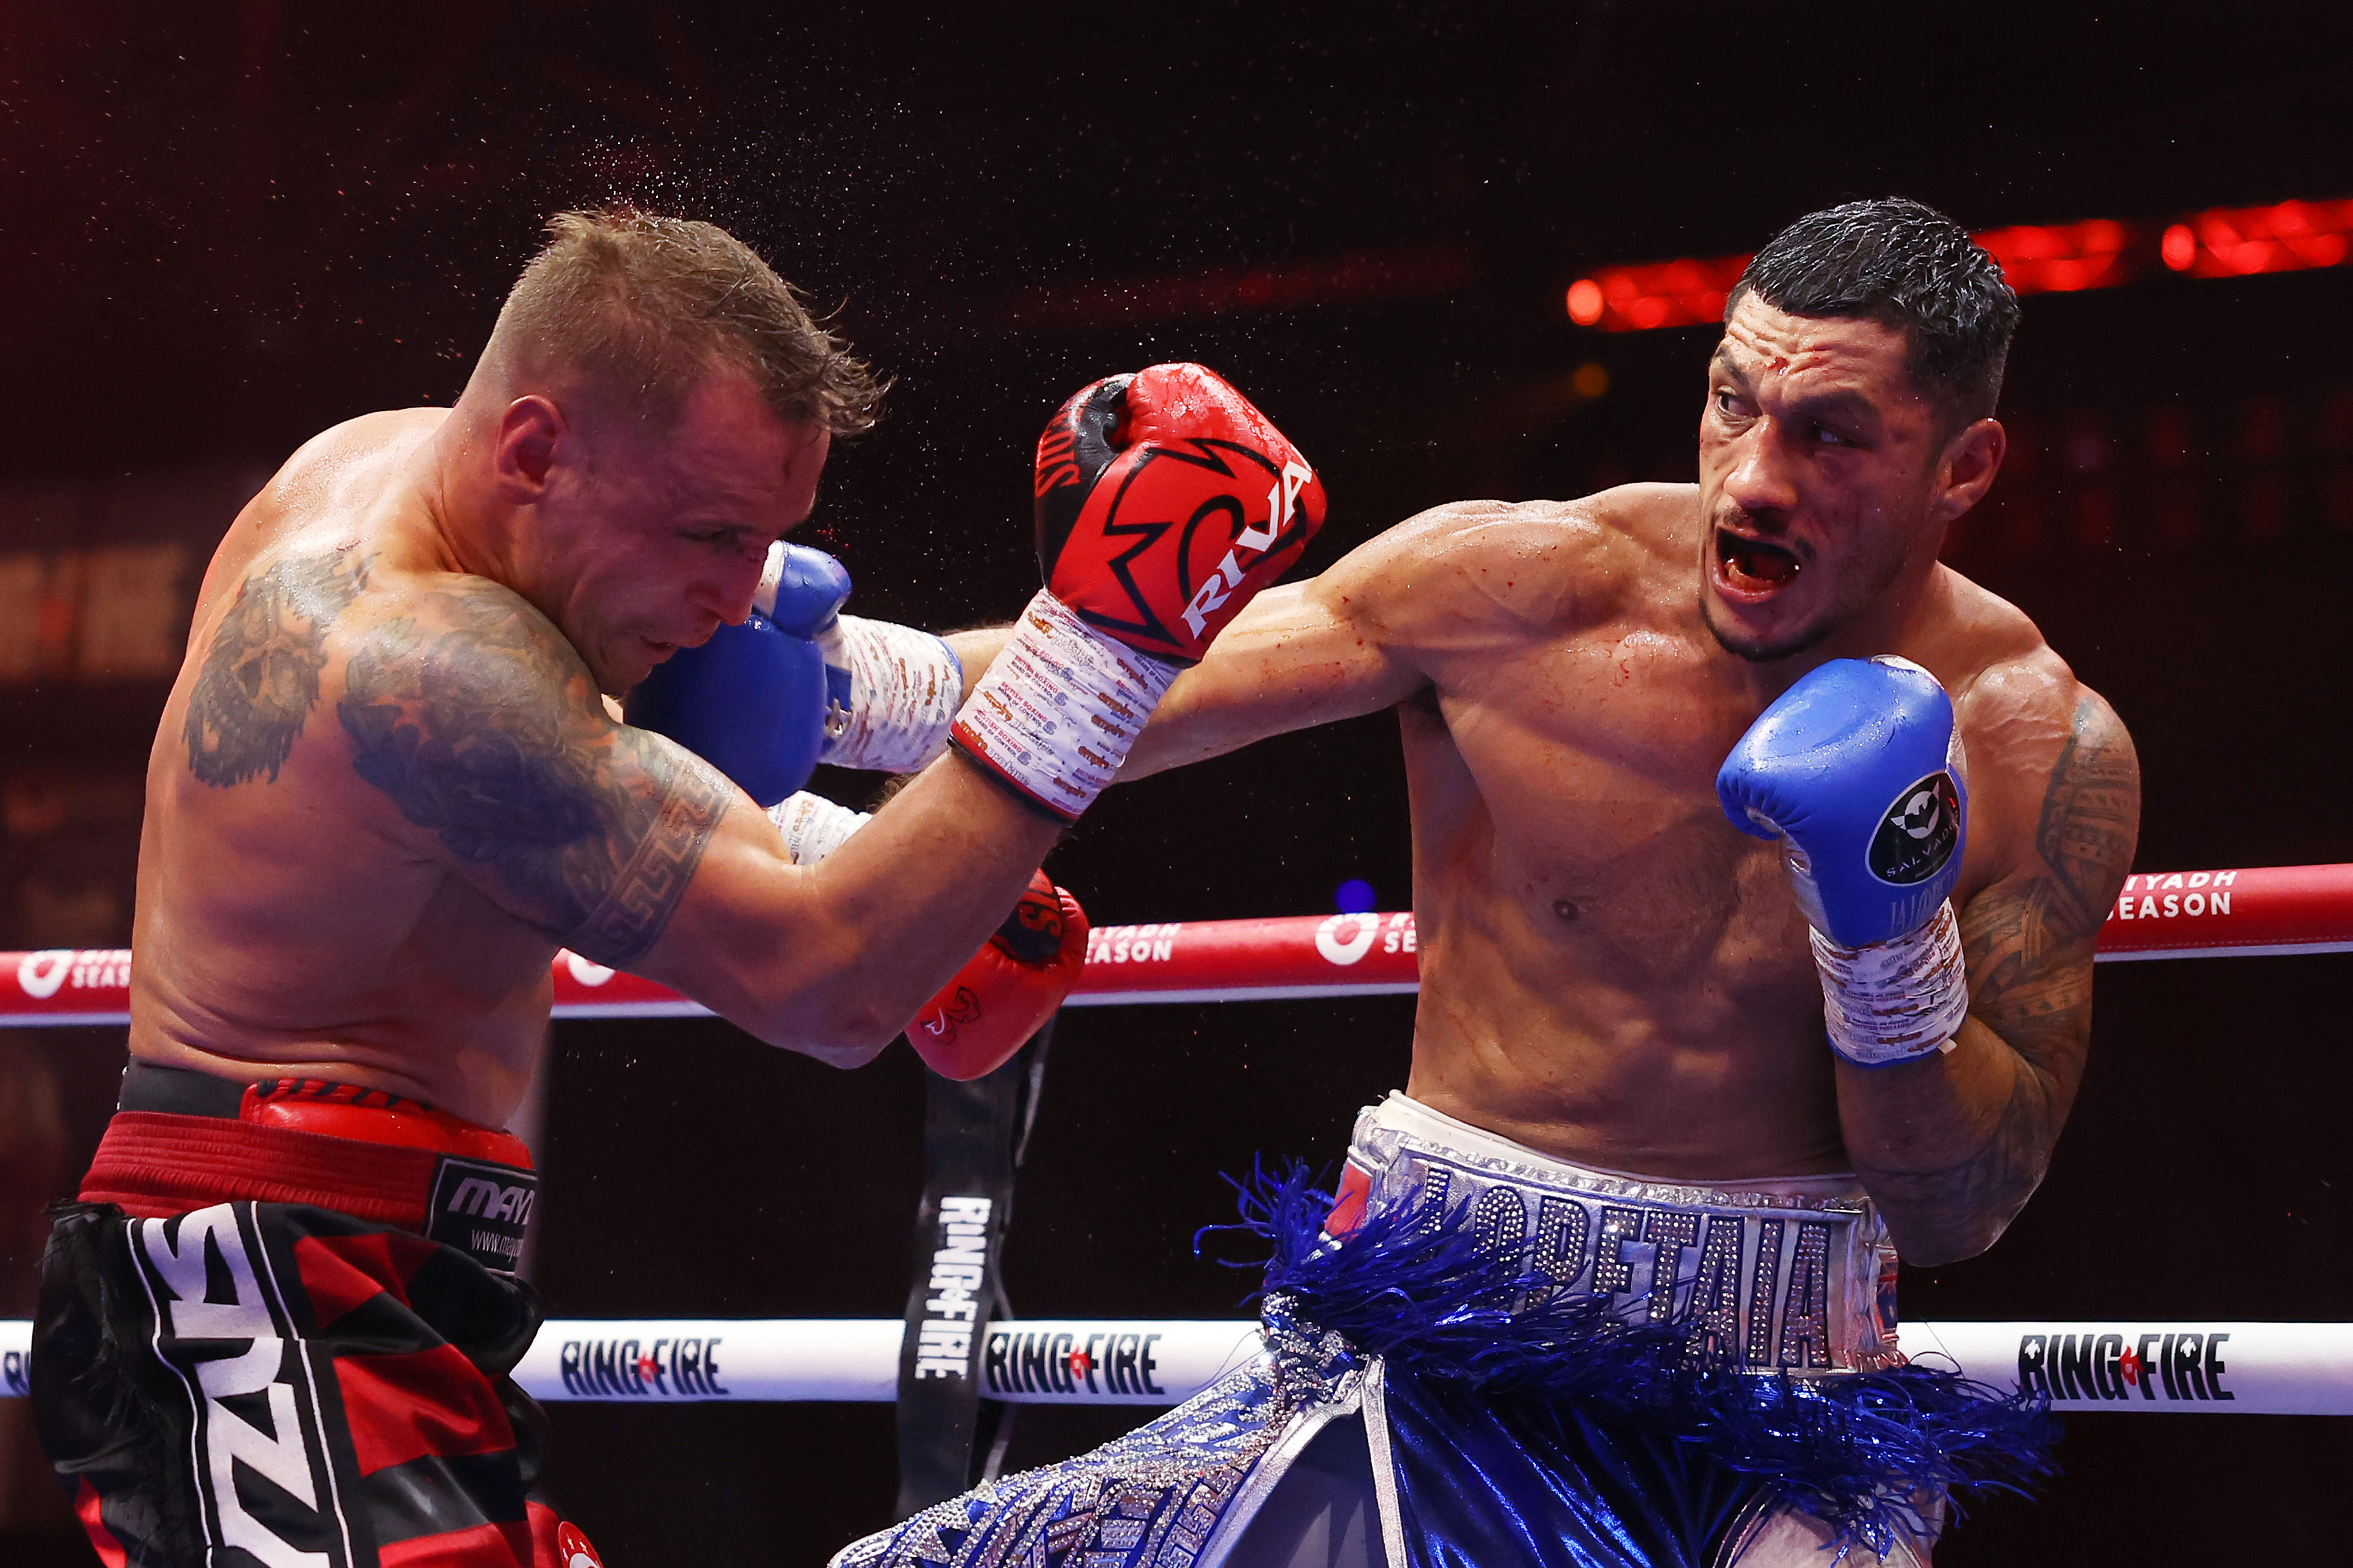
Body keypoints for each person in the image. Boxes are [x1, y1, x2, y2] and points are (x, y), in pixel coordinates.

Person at [837, 199, 2141, 1567]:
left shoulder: (2037, 747)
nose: (1754, 478)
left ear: (1965, 464)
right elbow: (1129, 688)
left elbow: (1958, 1209)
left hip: (1788, 1414)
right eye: (1731, 403)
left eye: (1829, 435)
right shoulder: (1528, 587)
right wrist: (804, 681)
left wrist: (1890, 951)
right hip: (1425, 1340)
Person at [30, 210, 1321, 1568]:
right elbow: (825, 986)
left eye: (765, 538)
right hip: (268, 1293)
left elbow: (929, 695)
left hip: (383, 1280)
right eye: (712, 532)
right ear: (535, 449)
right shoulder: (427, 661)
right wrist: (1102, 641)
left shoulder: (471, 507)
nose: (738, 591)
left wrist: (1363, 635)